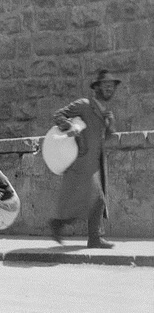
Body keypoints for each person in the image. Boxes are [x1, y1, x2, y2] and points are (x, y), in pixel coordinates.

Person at [49, 69, 121, 249]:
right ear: (96, 88)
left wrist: (110, 125)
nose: (109, 89)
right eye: (105, 85)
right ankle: (86, 234)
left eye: (112, 86)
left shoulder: (105, 111)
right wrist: (72, 128)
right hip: (81, 162)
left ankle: (70, 228)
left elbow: (105, 138)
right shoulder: (84, 104)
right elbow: (58, 115)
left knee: (91, 201)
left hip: (95, 163)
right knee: (95, 199)